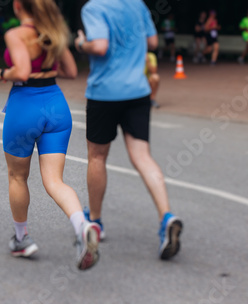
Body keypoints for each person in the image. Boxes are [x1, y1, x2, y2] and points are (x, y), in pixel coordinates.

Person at [0, 0, 101, 270]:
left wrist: (0, 73)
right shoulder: (53, 33)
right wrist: (47, 68)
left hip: (24, 107)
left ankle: (21, 239)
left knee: (17, 176)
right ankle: (82, 226)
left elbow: (22, 71)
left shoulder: (16, 34)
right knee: (54, 181)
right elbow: (72, 72)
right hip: (56, 106)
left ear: (18, 5)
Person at [75, 0, 183, 260]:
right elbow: (154, 42)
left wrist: (81, 44)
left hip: (105, 92)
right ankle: (166, 216)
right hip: (138, 91)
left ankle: (96, 223)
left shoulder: (94, 7)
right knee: (143, 157)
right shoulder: (138, 5)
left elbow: (100, 46)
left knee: (97, 157)